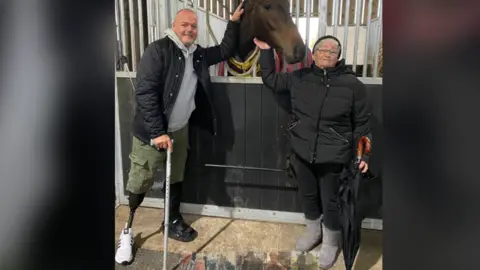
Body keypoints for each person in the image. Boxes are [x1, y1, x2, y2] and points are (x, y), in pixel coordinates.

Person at [115, 5, 245, 265]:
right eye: (184, 25)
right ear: (174, 26)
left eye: (193, 26)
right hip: (152, 133)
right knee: (140, 181)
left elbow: (224, 51)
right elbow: (145, 92)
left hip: (180, 128)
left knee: (176, 178)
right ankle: (127, 230)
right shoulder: (158, 50)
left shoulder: (197, 54)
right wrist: (157, 131)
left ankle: (171, 219)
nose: (189, 29)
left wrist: (233, 23)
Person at [253, 35, 372, 269]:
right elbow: (270, 79)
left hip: (334, 155)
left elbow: (363, 125)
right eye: (322, 49)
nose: (327, 53)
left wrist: (364, 155)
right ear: (314, 54)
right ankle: (313, 232)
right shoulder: (300, 77)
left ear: (338, 57)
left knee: (331, 202)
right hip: (302, 149)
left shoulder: (353, 85)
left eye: (333, 50)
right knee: (307, 195)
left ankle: (330, 242)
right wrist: (266, 51)